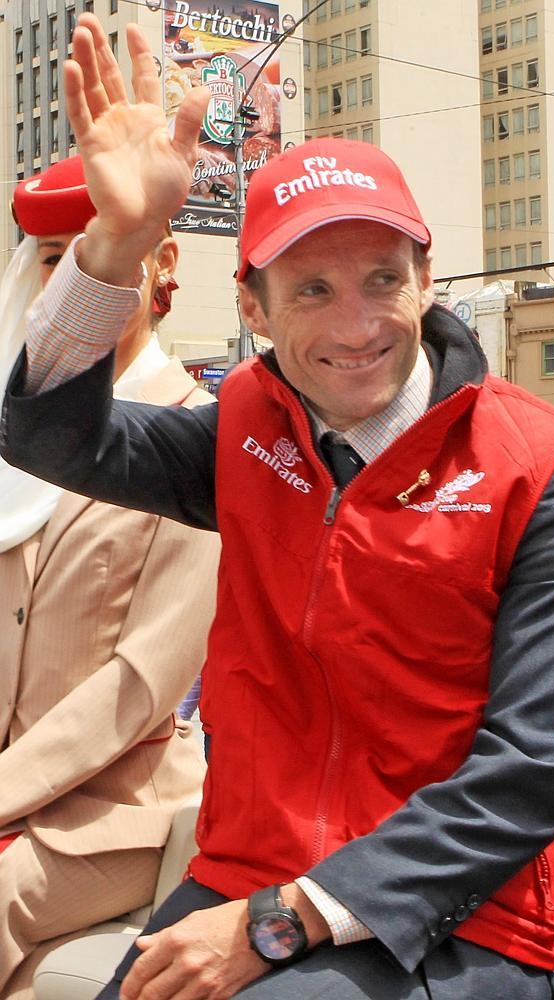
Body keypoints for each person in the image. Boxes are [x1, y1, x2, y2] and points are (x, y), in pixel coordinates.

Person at [0, 15, 554, 1000]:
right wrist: (116, 243)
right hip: (246, 864)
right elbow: (46, 438)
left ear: (425, 277)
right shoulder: (246, 424)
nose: (355, 325)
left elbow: (527, 772)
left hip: (456, 906)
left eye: (382, 279)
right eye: (312, 288)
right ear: (251, 306)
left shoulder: (544, 465)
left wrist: (282, 922)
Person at [0, 155, 220, 997]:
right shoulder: (13, 436)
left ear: (161, 264)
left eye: (94, 248)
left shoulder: (196, 440)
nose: (70, 276)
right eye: (51, 258)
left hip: (115, 811)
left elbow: (141, 683)